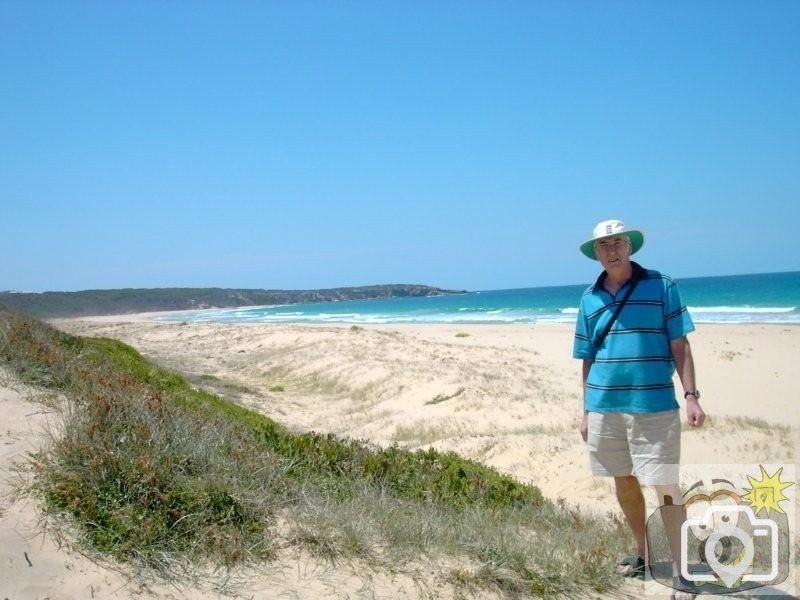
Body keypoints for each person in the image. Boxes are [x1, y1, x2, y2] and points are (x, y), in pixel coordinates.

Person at [573, 219, 705, 600]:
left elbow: (680, 344)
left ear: (629, 247)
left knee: (665, 483)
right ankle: (645, 554)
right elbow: (587, 357)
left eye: (617, 243)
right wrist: (585, 411)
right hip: (603, 405)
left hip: (654, 404)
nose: (611, 250)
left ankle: (682, 569)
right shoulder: (589, 298)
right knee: (623, 480)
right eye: (603, 246)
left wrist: (692, 395)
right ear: (596, 253)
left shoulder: (662, 286)